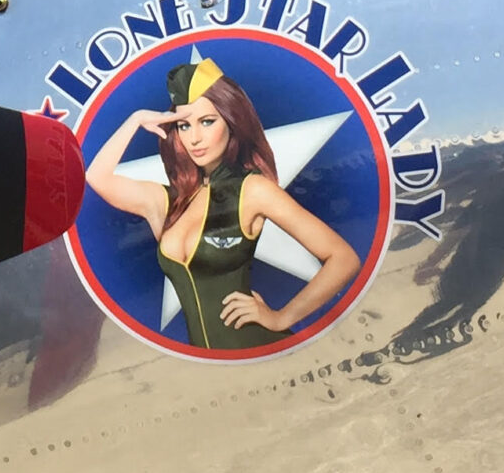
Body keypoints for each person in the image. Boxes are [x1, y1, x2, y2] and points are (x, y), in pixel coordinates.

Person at [83, 56, 358, 349]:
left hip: (260, 352)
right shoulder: (167, 202)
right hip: (210, 365)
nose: (194, 138)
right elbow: (96, 177)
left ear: (232, 121)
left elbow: (343, 258)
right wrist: (136, 119)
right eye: (184, 126)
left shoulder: (253, 190)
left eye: (207, 122)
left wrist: (282, 318)